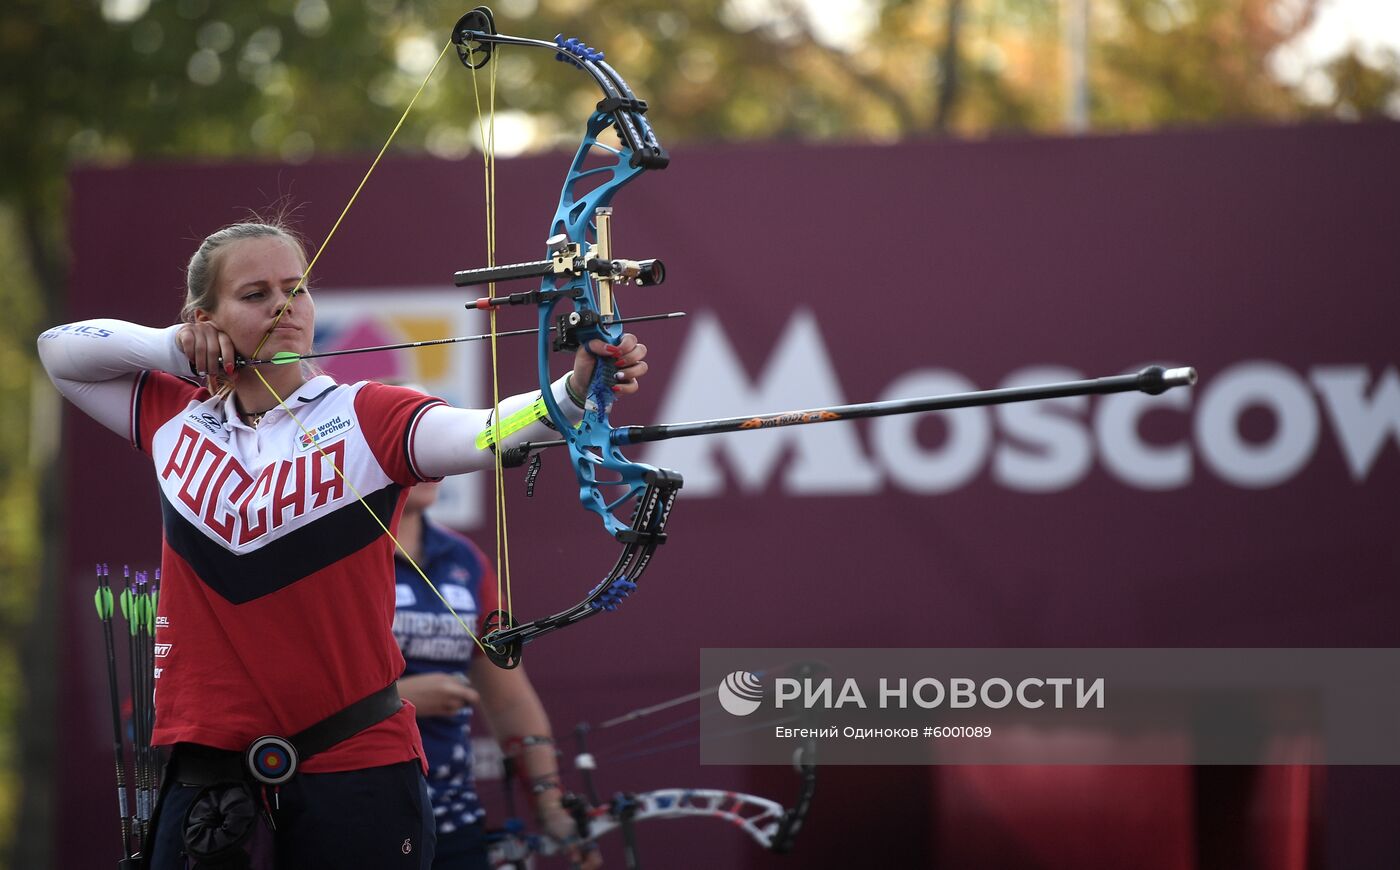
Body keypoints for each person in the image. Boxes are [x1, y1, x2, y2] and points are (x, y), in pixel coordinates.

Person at [38, 220, 647, 869]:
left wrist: (574, 392)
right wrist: (172, 348)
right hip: (209, 772)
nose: (282, 305)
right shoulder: (173, 414)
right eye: (254, 294)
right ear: (203, 317)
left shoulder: (367, 414)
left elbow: (488, 432)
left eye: (294, 288)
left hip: (356, 764)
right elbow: (59, 352)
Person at [393, 478, 601, 869]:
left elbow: (509, 699)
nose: (430, 470)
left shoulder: (463, 559)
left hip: (453, 823)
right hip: (357, 816)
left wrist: (549, 803)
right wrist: (400, 700)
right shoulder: (332, 555)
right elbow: (295, 693)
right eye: (411, 451)